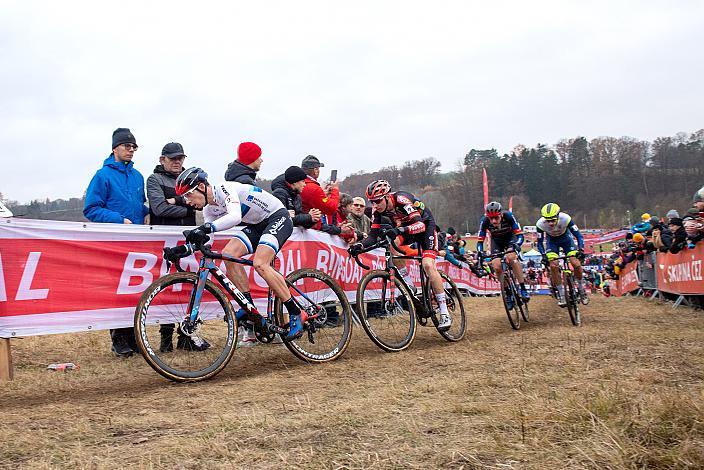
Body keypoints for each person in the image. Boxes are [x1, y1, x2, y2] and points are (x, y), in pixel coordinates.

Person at [175, 167, 309, 340]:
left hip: (278, 217)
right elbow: (207, 238)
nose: (187, 201)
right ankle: (248, 307)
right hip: (258, 225)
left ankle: (296, 312)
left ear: (201, 186)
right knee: (229, 254)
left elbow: (235, 216)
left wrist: (204, 228)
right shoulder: (209, 210)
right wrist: (184, 249)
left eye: (188, 195)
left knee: (260, 263)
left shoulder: (224, 189)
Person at [349, 180, 452, 331]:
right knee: (391, 245)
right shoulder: (376, 211)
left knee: (428, 265)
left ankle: (444, 311)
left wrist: (399, 230)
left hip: (425, 228)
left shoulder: (402, 200)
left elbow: (420, 225)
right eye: (372, 202)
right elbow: (372, 236)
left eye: (377, 201)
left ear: (386, 197)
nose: (375, 205)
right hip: (407, 230)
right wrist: (360, 246)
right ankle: (408, 282)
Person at [84, 127, 149, 358]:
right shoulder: (102, 176)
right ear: (115, 148)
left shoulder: (138, 176)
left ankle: (135, 337)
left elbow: (140, 206)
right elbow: (91, 209)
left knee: (138, 290)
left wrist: (152, 214)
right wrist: (119, 220)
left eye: (133, 147)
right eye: (126, 146)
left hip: (137, 242)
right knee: (118, 291)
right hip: (114, 241)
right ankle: (119, 340)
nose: (131, 150)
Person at [146, 142, 209, 352]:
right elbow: (160, 208)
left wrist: (177, 201)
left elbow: (202, 204)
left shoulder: (190, 178)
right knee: (167, 288)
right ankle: (165, 340)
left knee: (189, 287)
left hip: (188, 239)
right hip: (164, 240)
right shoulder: (154, 179)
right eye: (172, 158)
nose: (177, 162)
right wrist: (187, 207)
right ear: (162, 159)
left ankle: (186, 336)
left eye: (180, 158)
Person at [476, 201, 529, 306]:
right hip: (496, 242)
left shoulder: (508, 216)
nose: (494, 221)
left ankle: (523, 288)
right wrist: (480, 252)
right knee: (496, 266)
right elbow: (480, 241)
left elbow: (520, 236)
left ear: (501, 214)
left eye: (496, 218)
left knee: (511, 257)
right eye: (491, 218)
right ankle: (508, 293)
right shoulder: (485, 221)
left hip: (510, 239)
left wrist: (516, 245)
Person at [536, 203, 587, 306]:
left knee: (575, 263)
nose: (550, 223)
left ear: (558, 216)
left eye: (553, 220)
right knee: (553, 266)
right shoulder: (540, 224)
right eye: (547, 220)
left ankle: (582, 290)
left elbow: (579, 236)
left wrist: (581, 250)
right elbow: (540, 243)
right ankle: (561, 295)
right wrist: (543, 255)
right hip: (552, 242)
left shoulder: (566, 219)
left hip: (567, 240)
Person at [300, 155, 340, 221]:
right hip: (310, 227)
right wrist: (335, 190)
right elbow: (330, 209)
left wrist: (323, 194)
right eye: (318, 168)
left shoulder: (300, 183)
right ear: (315, 170)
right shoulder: (313, 188)